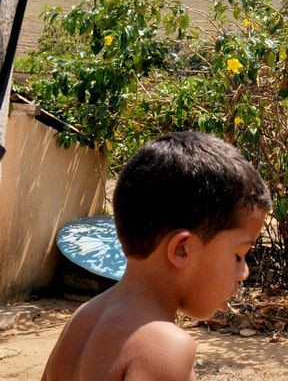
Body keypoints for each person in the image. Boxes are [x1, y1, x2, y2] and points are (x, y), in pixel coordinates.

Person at [42, 131, 272, 381]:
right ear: (182, 249)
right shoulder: (165, 345)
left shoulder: (83, 318)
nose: (244, 271)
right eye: (239, 255)